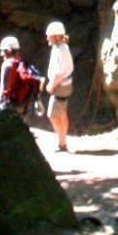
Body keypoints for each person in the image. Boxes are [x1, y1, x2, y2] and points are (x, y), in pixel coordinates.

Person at [0, 35, 42, 120]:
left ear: (8, 51)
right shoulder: (22, 63)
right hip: (22, 104)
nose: (2, 56)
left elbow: (4, 88)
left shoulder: (7, 65)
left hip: (9, 105)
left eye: (3, 52)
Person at [44, 21, 75, 152]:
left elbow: (57, 74)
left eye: (49, 36)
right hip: (66, 85)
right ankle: (63, 141)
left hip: (60, 87)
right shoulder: (63, 47)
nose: (47, 38)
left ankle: (62, 143)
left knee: (53, 115)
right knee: (61, 113)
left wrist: (50, 86)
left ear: (56, 37)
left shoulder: (59, 50)